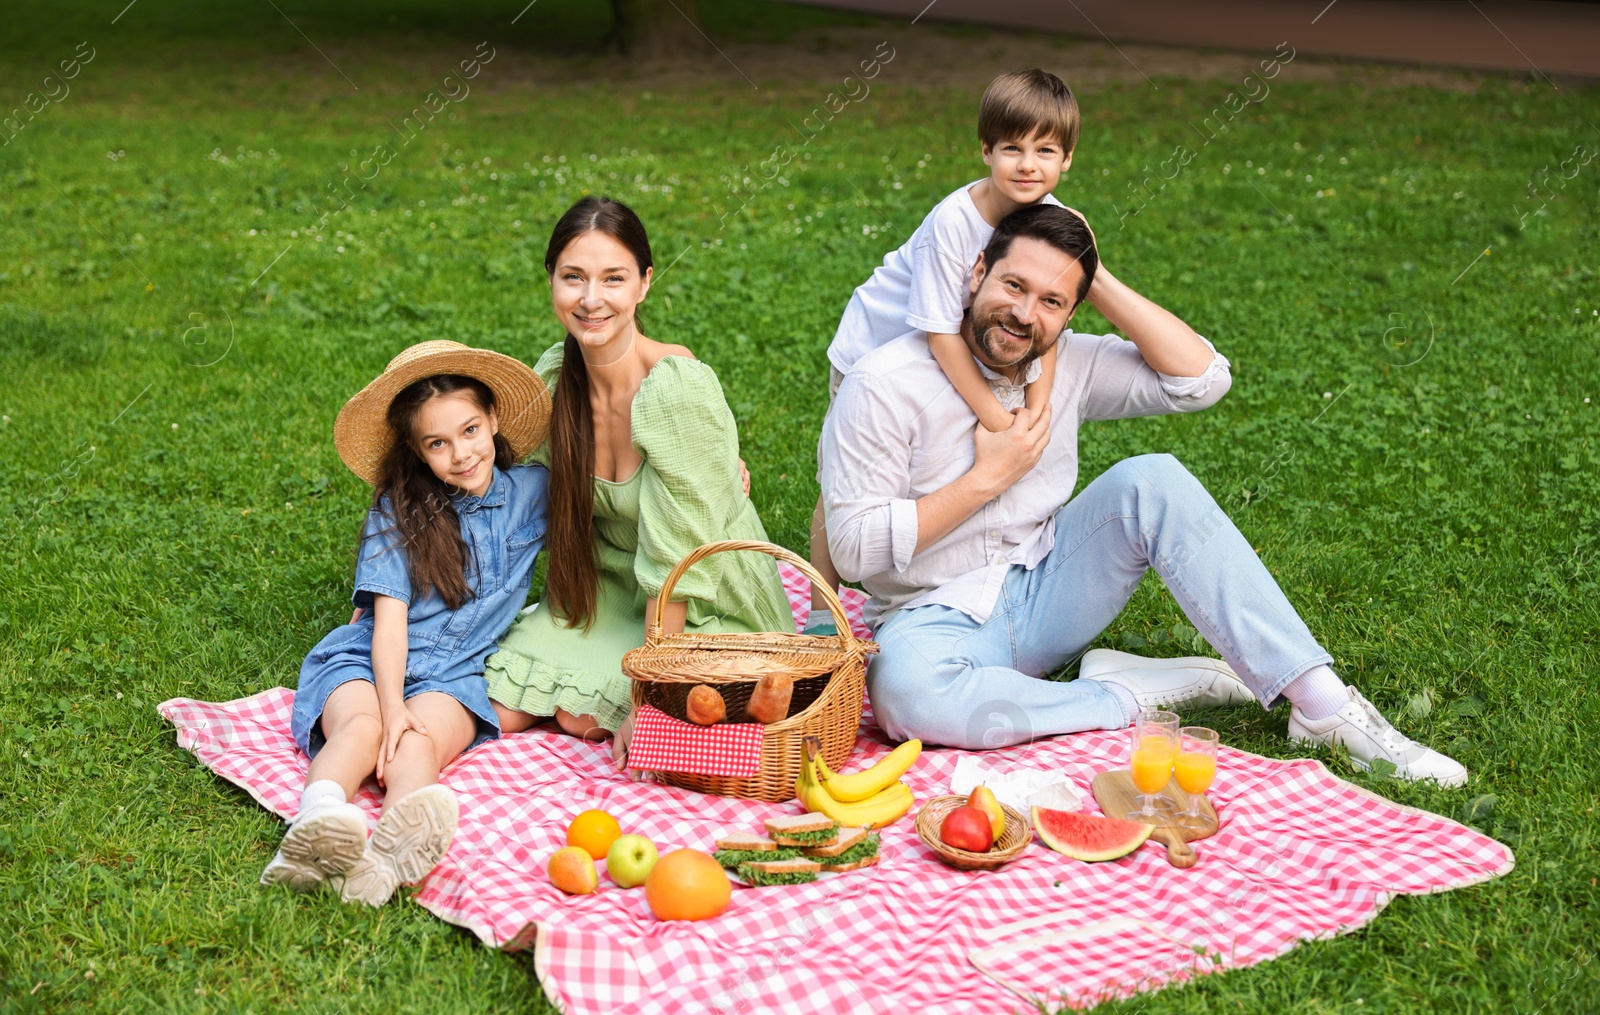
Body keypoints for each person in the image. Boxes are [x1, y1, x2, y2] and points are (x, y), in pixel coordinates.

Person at [818, 203, 1468, 786]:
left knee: (1151, 479)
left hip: (1049, 588)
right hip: (932, 620)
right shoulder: (882, 384)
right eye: (1013, 284)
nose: (1024, 313)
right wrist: (987, 477)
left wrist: (1091, 271)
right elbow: (852, 551)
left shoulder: (1064, 360)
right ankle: (1120, 696)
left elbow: (1201, 379)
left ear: (1073, 311)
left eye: (1052, 300)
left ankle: (1325, 707)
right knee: (904, 694)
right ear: (975, 272)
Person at [485, 196, 793, 766]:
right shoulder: (555, 378)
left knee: (582, 715)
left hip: (701, 600)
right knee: (498, 699)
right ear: (551, 280)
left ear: (645, 284)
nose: (591, 299)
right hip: (608, 589)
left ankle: (641, 683)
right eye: (573, 277)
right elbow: (506, 488)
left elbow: (680, 566)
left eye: (614, 278)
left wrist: (647, 695)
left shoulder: (674, 392)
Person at [264, 340, 553, 905]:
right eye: (438, 443)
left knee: (417, 748)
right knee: (366, 730)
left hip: (454, 674)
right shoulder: (399, 510)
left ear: (494, 419)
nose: (462, 454)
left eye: (470, 430)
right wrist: (391, 705)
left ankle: (384, 862)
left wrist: (714, 473)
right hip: (368, 658)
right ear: (419, 452)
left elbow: (615, 495)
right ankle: (315, 825)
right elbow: (388, 625)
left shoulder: (534, 492)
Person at [806, 68, 1078, 635]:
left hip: (941, 350)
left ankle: (937, 580)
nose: (1028, 164)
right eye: (1012, 148)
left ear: (1067, 160)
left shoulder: (1054, 223)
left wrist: (1035, 412)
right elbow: (940, 336)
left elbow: (1048, 332)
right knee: (842, 489)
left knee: (932, 464)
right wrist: (999, 419)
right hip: (875, 351)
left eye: (1045, 150)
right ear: (985, 151)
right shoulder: (955, 224)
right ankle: (820, 614)